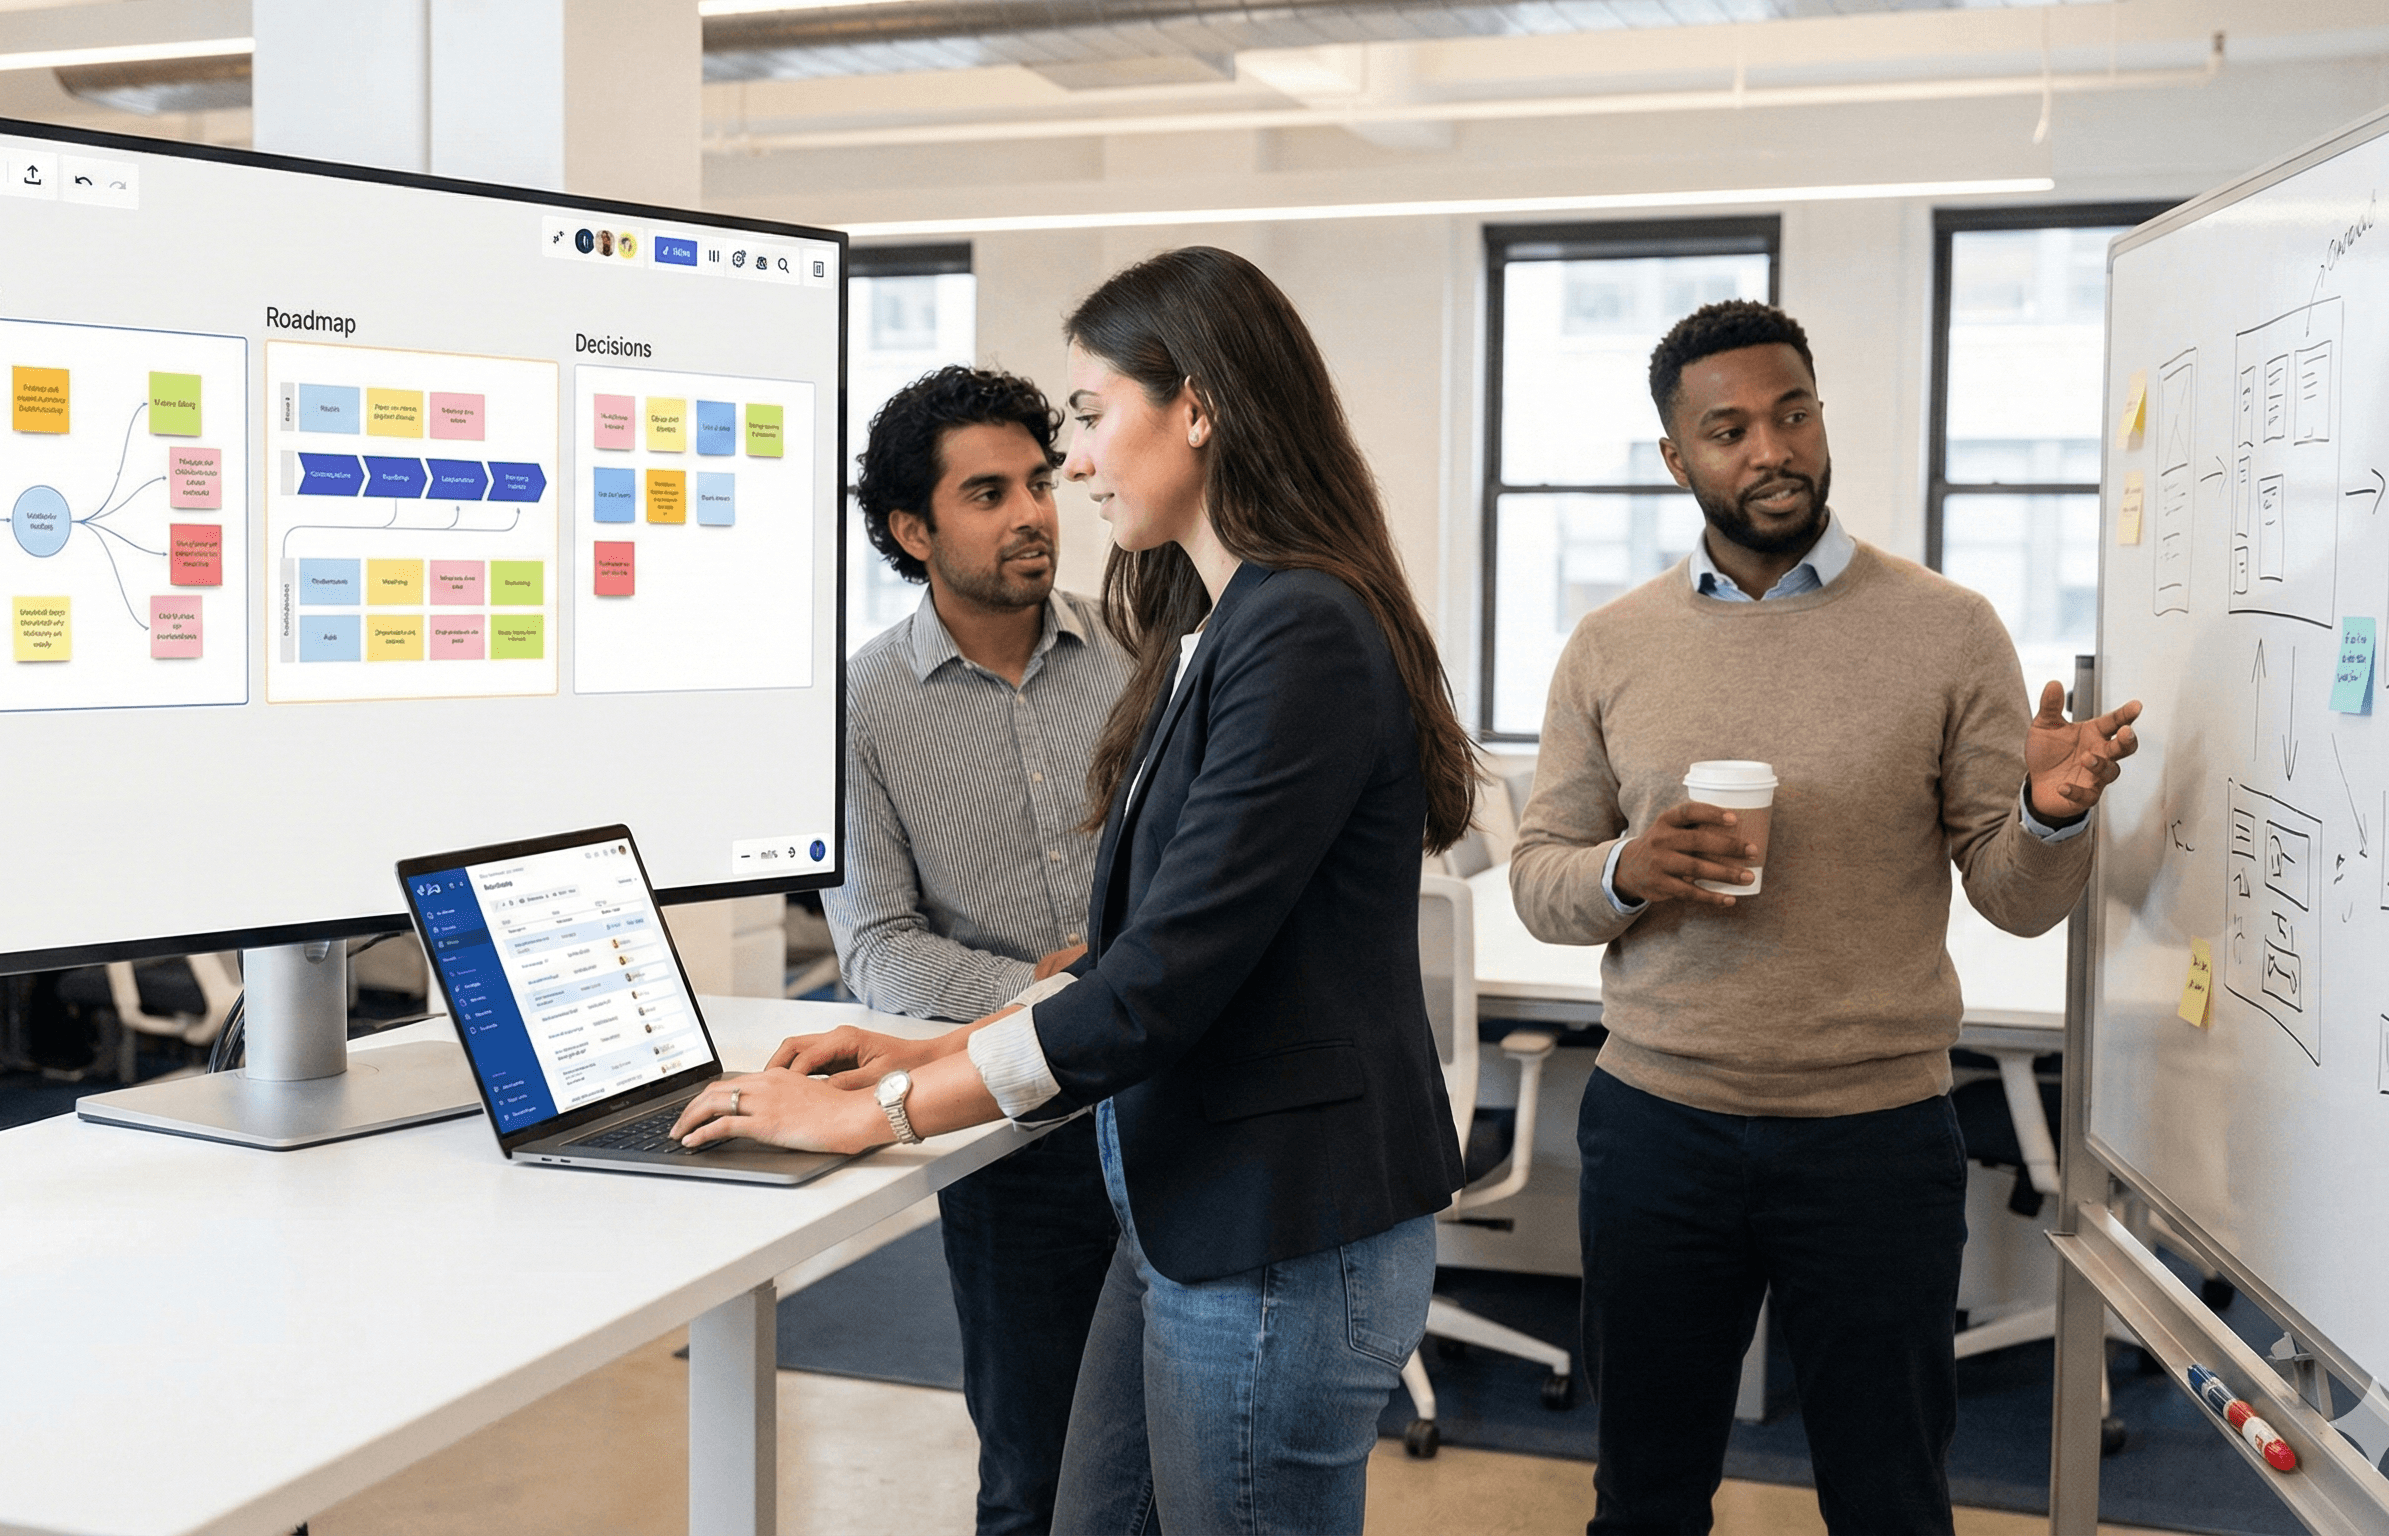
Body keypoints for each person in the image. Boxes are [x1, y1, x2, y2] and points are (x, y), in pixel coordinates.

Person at [673, 246, 1473, 1532]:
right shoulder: (1221, 624)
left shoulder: (1300, 629)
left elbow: (1161, 983)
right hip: (1180, 1202)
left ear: (1197, 409)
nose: (1076, 469)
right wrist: (913, 1038)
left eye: (1089, 421)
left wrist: (885, 1108)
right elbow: (1137, 954)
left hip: (1273, 1230)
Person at [1508, 299, 2142, 1533]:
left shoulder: (1947, 630)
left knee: (1890, 1499)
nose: (1770, 449)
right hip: (1656, 1131)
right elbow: (1539, 877)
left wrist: (2051, 815)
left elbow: (2009, 901)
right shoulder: (1608, 644)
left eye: (1790, 412)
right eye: (1728, 428)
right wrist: (1627, 871)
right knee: (1642, 1497)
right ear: (1675, 458)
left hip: (1873, 1138)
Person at [819, 363, 1125, 1535]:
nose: (1033, 513)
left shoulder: (1141, 655)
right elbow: (881, 950)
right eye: (987, 493)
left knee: (1177, 1452)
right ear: (912, 529)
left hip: (1175, 1100)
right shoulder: (857, 709)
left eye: (1039, 483)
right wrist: (1050, 993)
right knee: (1032, 1473)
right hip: (1016, 1121)